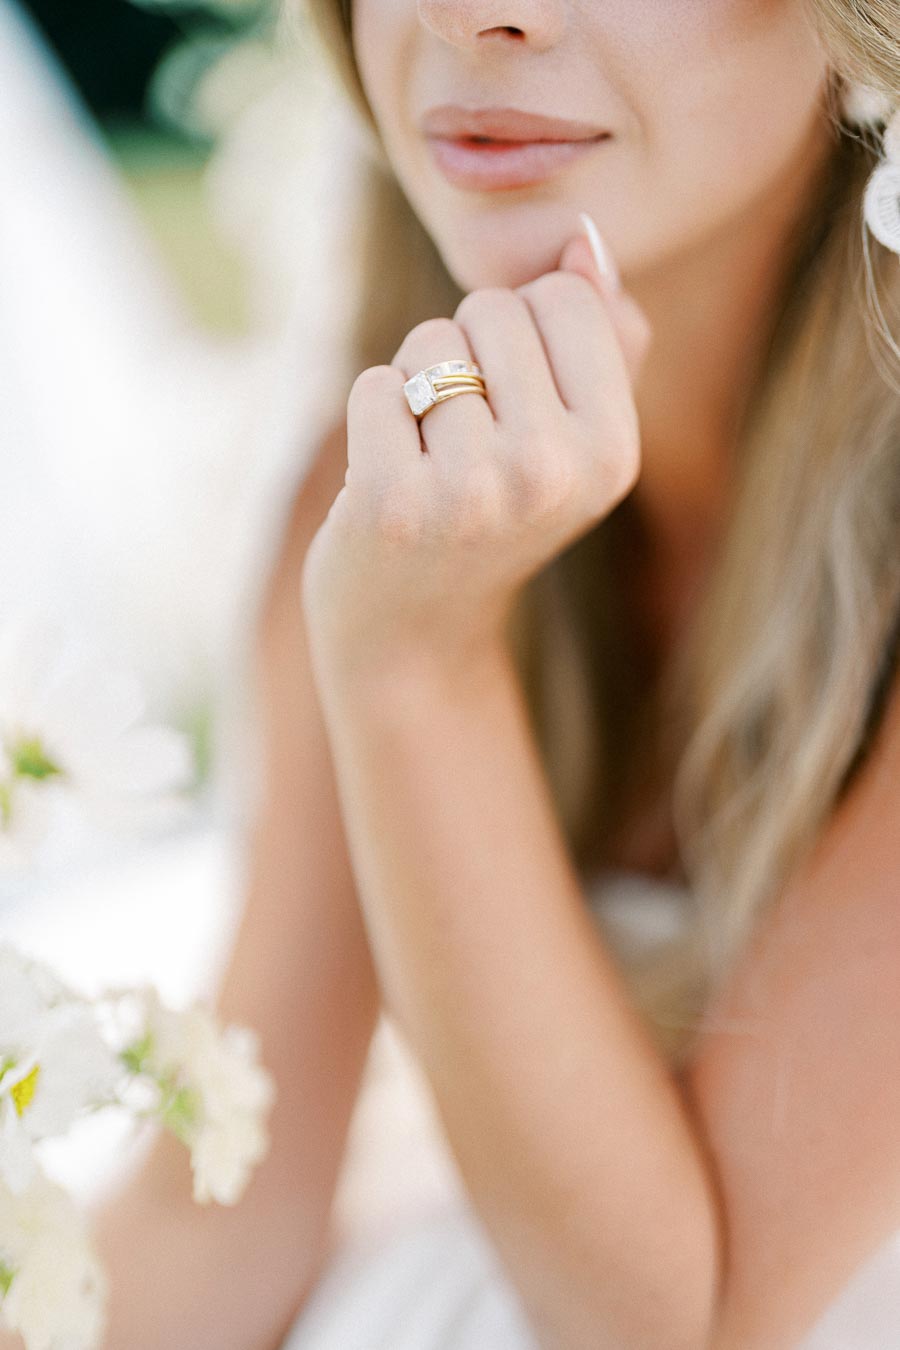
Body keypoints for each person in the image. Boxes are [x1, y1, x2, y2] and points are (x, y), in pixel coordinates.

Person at [13, 1, 896, 1347]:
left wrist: (418, 664)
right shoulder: (381, 484)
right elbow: (238, 1211)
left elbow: (681, 1321)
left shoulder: (401, 582)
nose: (484, 12)